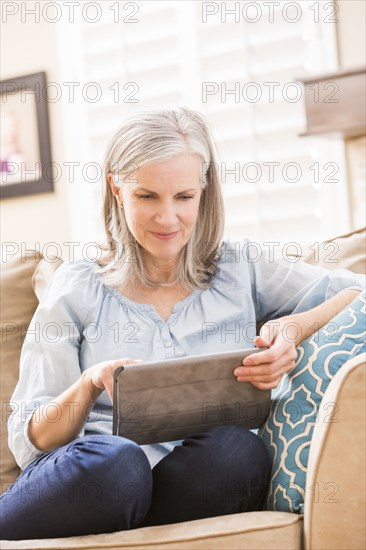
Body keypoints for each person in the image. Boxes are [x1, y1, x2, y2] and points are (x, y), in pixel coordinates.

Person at [0, 107, 363, 540]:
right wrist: (90, 383)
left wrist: (293, 329)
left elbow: (355, 292)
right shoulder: (77, 286)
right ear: (117, 189)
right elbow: (33, 438)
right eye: (147, 196)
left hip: (189, 485)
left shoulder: (240, 266)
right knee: (118, 464)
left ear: (204, 190)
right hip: (89, 481)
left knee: (239, 451)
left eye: (184, 197)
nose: (167, 218)